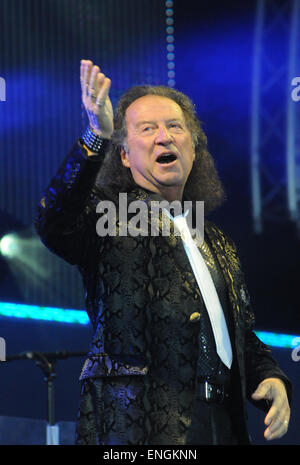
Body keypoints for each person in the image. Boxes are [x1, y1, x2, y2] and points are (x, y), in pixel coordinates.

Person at [35, 60, 292, 445]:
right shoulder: (109, 218)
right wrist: (95, 135)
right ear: (123, 154)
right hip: (139, 428)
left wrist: (269, 375)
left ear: (194, 145)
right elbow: (53, 218)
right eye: (147, 129)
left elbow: (238, 333)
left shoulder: (216, 240)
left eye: (175, 127)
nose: (164, 137)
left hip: (222, 424)